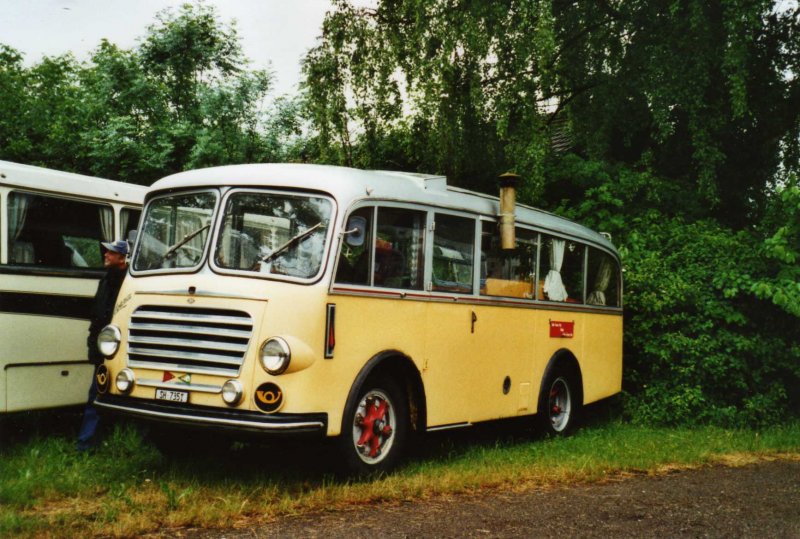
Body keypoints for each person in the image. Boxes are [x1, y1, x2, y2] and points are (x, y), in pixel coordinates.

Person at [76, 239, 129, 452]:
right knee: (96, 396)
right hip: (104, 351)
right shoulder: (105, 281)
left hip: (121, 352)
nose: (105, 255)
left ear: (122, 257)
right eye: (106, 251)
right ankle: (85, 446)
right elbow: (96, 318)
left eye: (111, 252)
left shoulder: (129, 283)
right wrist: (93, 347)